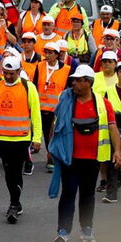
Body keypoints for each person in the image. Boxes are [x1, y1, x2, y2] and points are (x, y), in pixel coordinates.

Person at [50, 65, 121, 242]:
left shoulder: (103, 104)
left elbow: (113, 127)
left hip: (93, 159)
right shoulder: (66, 101)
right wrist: (52, 148)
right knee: (68, 193)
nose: (73, 82)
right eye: (73, 79)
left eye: (78, 80)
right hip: (70, 158)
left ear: (88, 83)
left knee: (87, 195)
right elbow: (57, 124)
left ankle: (87, 228)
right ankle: (63, 232)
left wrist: (116, 151)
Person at [0, 56, 42, 223]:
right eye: (5, 73)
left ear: (19, 71)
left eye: (11, 73)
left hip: (21, 138)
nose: (8, 76)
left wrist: (37, 138)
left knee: (16, 171)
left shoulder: (28, 87)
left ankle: (14, 204)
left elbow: (35, 114)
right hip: (1, 137)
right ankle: (16, 201)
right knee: (9, 174)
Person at [95, 57, 121, 203]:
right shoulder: (109, 91)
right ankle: (111, 192)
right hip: (114, 126)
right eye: (120, 71)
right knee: (112, 160)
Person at [34, 42, 74, 172]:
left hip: (57, 110)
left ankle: (52, 159)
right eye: (46, 52)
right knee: (45, 135)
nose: (48, 55)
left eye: (51, 53)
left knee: (54, 135)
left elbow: (69, 89)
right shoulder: (39, 66)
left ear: (57, 55)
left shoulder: (67, 69)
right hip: (40, 108)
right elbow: (35, 85)